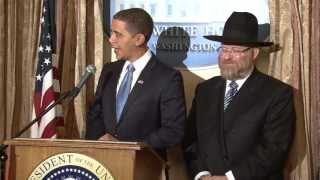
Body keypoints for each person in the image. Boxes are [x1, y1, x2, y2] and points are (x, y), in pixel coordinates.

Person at [183, 12, 295, 180]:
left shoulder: (277, 93)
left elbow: (274, 149)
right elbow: (191, 140)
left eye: (235, 50)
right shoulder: (205, 89)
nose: (227, 56)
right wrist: (202, 174)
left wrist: (230, 178)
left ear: (254, 53)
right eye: (224, 49)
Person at [85, 8, 186, 158]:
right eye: (112, 33)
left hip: (143, 165)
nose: (111, 39)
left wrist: (126, 147)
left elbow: (173, 130)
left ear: (138, 39)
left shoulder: (167, 78)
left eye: (118, 34)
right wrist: (100, 147)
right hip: (102, 163)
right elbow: (96, 115)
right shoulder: (110, 70)